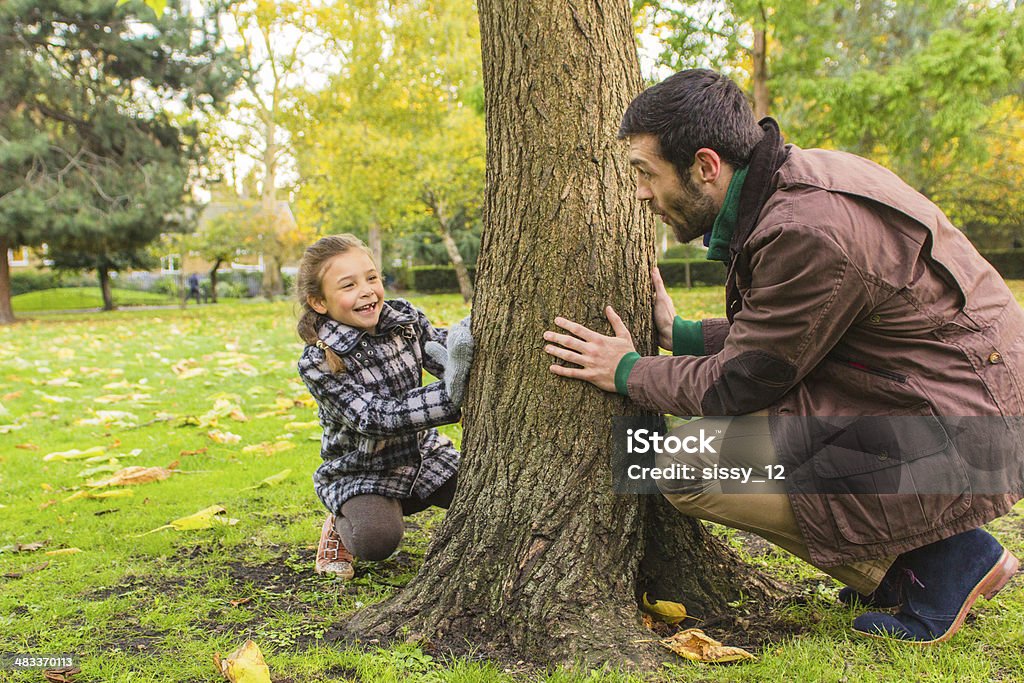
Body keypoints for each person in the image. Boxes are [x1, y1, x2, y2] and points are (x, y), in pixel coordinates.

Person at [542, 69, 1024, 643]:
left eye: (646, 173)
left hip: (960, 426)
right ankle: (918, 564)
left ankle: (942, 565)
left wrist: (625, 370)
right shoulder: (798, 185)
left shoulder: (805, 230)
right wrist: (684, 335)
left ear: (704, 165)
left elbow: (741, 384)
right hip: (945, 400)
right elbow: (801, 330)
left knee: (677, 464)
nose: (640, 194)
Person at [296, 234, 473, 579]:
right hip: (364, 472)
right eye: (348, 285)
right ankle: (340, 521)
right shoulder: (318, 361)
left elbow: (444, 356)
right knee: (377, 540)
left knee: (485, 496)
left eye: (372, 277)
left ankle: (395, 502)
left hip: (423, 457)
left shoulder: (404, 319)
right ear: (319, 302)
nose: (366, 290)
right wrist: (450, 399)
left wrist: (464, 349)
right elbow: (374, 416)